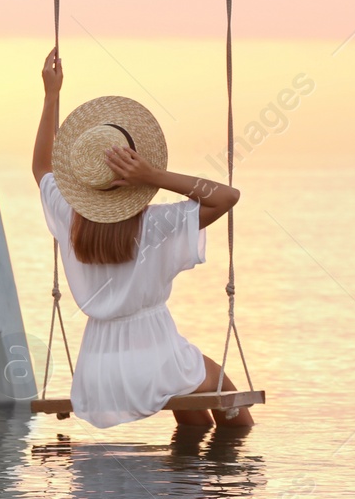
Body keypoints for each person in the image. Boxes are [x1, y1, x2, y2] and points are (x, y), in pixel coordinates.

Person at [32, 48, 253, 430]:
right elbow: (226, 196)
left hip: (96, 372)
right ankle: (231, 481)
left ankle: (180, 476)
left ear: (85, 182)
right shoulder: (157, 224)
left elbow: (41, 167)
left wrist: (51, 96)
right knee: (225, 394)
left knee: (195, 416)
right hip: (157, 359)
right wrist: (153, 176)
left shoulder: (71, 220)